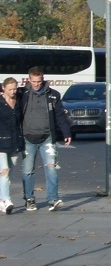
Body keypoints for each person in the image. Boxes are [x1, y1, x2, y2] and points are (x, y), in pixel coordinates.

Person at [18, 67, 72, 212]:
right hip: (27, 137)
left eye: (39, 81)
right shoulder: (22, 94)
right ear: (29, 80)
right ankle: (29, 199)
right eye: (34, 81)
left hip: (47, 137)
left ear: (43, 79)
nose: (36, 84)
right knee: (28, 171)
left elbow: (60, 115)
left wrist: (66, 132)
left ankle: (53, 199)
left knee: (51, 168)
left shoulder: (53, 95)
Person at [0, 77, 24, 214]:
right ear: (3, 88)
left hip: (15, 142)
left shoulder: (18, 102)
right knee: (4, 171)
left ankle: (1, 200)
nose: (13, 91)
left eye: (15, 88)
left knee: (9, 172)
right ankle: (7, 199)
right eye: (10, 89)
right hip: (1, 142)